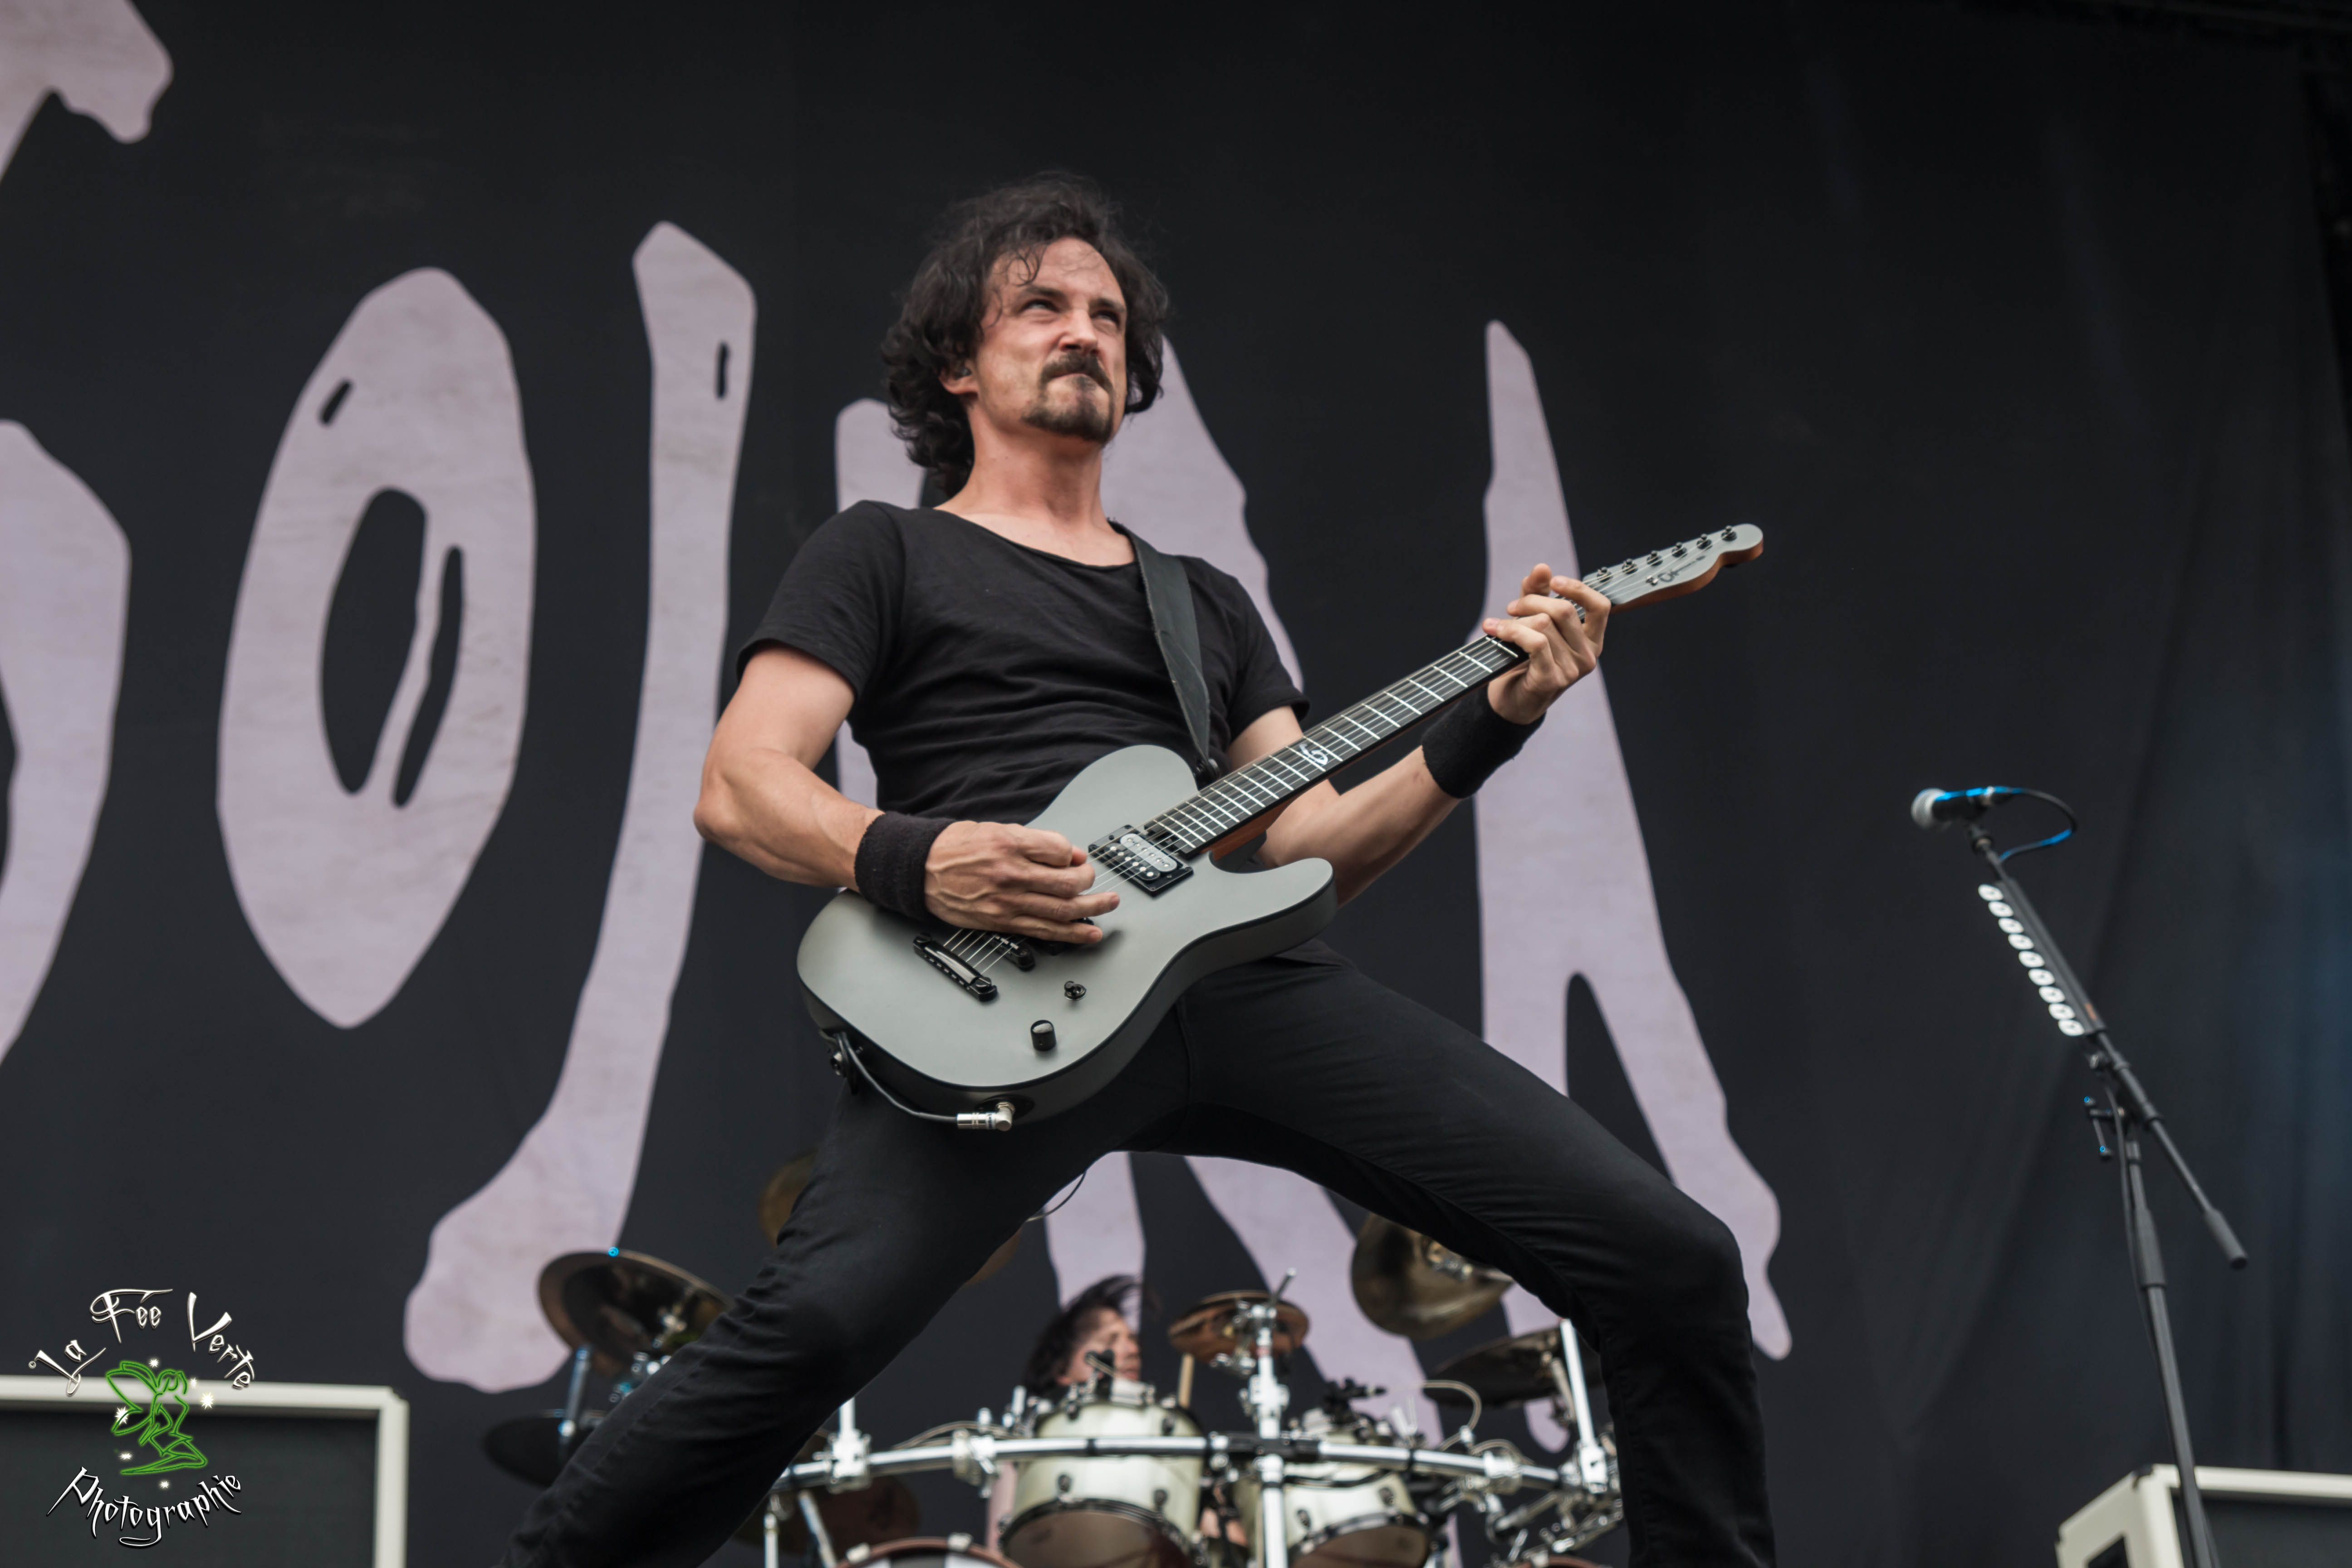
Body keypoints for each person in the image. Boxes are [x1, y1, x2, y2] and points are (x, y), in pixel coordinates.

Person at [502, 173, 1773, 1568]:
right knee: (807, 1328)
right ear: (958, 362)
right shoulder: (883, 550)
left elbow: (1307, 849)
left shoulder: (1202, 602)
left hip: (1237, 988)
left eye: (1107, 316)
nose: (1083, 332)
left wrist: (1498, 716)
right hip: (987, 991)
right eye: (1040, 306)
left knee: (1672, 1256)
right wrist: (923, 864)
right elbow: (742, 784)